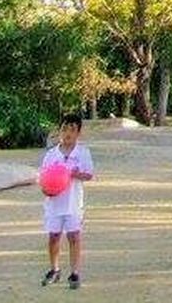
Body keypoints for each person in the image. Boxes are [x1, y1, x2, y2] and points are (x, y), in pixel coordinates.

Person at [40, 114, 96, 290]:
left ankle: (75, 272)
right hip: (54, 202)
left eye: (72, 129)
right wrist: (46, 188)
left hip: (73, 203)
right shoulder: (51, 154)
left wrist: (72, 174)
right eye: (65, 129)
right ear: (59, 131)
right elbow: (43, 176)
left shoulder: (82, 153)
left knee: (74, 236)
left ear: (78, 132)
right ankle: (54, 269)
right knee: (54, 236)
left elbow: (89, 174)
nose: (68, 133)